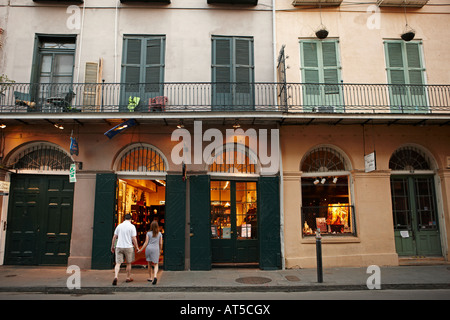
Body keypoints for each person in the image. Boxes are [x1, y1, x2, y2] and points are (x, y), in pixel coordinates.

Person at [111, 214, 139, 286]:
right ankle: (128, 277)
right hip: (128, 246)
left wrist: (112, 246)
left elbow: (114, 237)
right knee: (128, 263)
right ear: (131, 219)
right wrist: (137, 247)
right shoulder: (132, 226)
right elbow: (134, 238)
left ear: (124, 218)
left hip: (119, 246)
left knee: (118, 263)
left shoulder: (119, 226)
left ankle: (116, 276)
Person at [138, 220, 163, 285]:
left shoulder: (148, 233)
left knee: (149, 263)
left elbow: (146, 242)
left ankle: (150, 277)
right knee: (156, 264)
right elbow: (160, 243)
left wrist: (141, 250)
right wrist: (160, 250)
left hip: (148, 249)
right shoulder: (159, 234)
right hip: (155, 249)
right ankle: (155, 276)